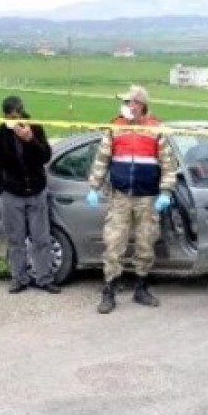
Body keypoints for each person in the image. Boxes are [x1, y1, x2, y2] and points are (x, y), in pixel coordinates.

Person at [86, 85, 178, 314]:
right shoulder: (114, 127)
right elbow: (102, 159)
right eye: (125, 102)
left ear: (141, 105)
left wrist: (166, 192)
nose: (127, 106)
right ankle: (109, 291)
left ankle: (141, 288)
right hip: (120, 197)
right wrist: (94, 187)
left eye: (130, 102)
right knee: (113, 244)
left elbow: (169, 165)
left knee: (146, 244)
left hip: (147, 198)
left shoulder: (156, 129)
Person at [0, 95, 59, 294]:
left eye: (17, 116)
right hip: (12, 194)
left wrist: (30, 140)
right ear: (4, 115)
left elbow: (45, 156)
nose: (14, 120)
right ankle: (19, 278)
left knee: (41, 238)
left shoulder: (35, 128)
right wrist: (1, 188)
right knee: (15, 239)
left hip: (36, 191)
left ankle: (44, 278)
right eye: (10, 117)